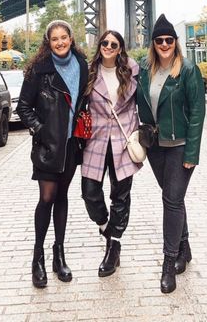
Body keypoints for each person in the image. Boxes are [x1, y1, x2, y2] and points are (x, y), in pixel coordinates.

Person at [137, 14, 206, 294]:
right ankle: (185, 247)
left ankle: (169, 263)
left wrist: (192, 153)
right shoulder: (145, 68)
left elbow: (198, 113)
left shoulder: (188, 69)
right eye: (159, 40)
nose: (164, 44)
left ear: (175, 42)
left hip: (179, 147)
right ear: (153, 43)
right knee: (174, 199)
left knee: (171, 201)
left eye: (169, 39)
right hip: (156, 147)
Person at [17, 20, 88, 289]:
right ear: (49, 42)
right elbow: (24, 107)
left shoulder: (81, 64)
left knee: (62, 196)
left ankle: (59, 255)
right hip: (48, 146)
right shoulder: (39, 70)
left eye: (64, 37)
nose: (60, 42)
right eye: (54, 38)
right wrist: (41, 130)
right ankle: (38, 257)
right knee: (46, 197)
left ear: (71, 38)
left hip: (71, 144)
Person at [81, 30, 141, 277]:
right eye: (104, 42)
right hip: (96, 141)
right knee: (89, 192)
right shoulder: (89, 72)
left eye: (113, 44)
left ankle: (113, 245)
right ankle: (106, 227)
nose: (107, 46)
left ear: (120, 49)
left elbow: (144, 101)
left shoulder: (133, 71)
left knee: (121, 194)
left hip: (122, 141)